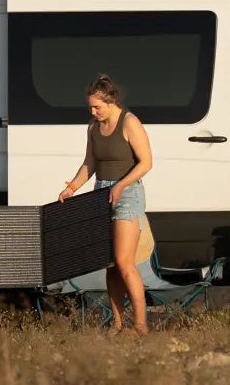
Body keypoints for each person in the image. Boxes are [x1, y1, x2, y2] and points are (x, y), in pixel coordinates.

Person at [59, 75, 154, 334]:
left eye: (97, 107)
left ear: (111, 102)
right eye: (90, 107)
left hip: (127, 192)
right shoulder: (93, 127)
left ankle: (140, 324)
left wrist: (121, 185)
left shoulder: (129, 122)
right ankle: (118, 323)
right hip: (101, 192)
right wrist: (71, 188)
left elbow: (146, 162)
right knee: (110, 265)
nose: (93, 112)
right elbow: (89, 163)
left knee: (124, 262)